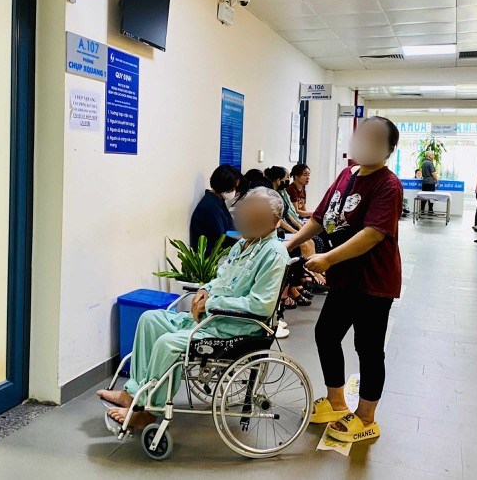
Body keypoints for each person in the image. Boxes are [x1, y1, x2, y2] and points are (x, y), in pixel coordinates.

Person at [98, 188, 289, 429]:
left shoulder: (273, 254)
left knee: (167, 343)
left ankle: (149, 411)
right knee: (150, 319)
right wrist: (205, 290)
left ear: (272, 221)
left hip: (233, 329)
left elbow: (261, 305)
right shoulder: (242, 246)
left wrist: (211, 303)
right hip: (209, 320)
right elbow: (220, 277)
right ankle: (132, 394)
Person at [286, 116, 402, 443]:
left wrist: (327, 259)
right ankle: (336, 402)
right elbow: (320, 218)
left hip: (373, 282)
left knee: (368, 348)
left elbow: (373, 234)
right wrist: (289, 244)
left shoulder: (388, 184)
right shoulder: (346, 175)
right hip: (345, 279)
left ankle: (366, 418)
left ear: (389, 149)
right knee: (326, 334)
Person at [190, 165, 240, 255]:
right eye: (232, 188)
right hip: (211, 255)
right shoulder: (210, 206)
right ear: (224, 186)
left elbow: (228, 226)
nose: (234, 191)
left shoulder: (218, 200)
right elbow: (220, 237)